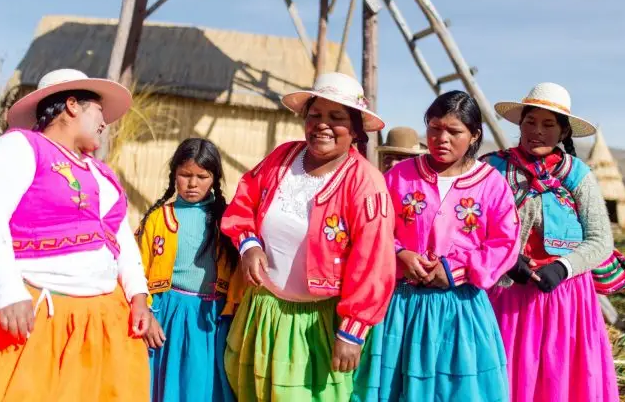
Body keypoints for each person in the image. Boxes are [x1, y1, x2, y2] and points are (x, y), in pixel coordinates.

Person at [0, 68, 151, 400]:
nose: (105, 123)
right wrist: (9, 293)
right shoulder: (20, 147)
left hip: (99, 322)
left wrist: (138, 296)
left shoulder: (103, 174)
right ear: (72, 105)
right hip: (35, 313)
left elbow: (122, 240)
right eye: (99, 111)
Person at [221, 72, 396, 401]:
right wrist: (249, 244)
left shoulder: (365, 184)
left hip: (316, 325)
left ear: (356, 129)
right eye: (315, 115)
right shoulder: (282, 158)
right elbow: (243, 202)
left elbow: (374, 262)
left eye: (337, 117)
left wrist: (353, 331)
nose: (323, 125)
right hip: (262, 311)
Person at [352, 90, 519, 402]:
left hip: (460, 309)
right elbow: (374, 228)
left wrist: (455, 271)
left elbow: (504, 243)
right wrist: (399, 253)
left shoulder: (491, 184)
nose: (441, 138)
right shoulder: (399, 177)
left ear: (474, 136)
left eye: (454, 132)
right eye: (434, 128)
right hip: (402, 307)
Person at [483, 82, 620, 401]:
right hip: (506, 294)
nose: (537, 131)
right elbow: (472, 227)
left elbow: (601, 240)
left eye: (548, 124)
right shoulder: (493, 169)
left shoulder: (577, 175)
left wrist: (563, 267)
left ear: (562, 132)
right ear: (520, 124)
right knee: (507, 374)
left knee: (558, 379)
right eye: (530, 121)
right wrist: (505, 259)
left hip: (566, 299)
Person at [136, 138, 243, 402]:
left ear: (214, 177)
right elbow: (138, 268)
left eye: (201, 176)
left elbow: (242, 274)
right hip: (166, 313)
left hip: (211, 319)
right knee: (162, 387)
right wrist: (148, 314)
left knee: (203, 388)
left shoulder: (228, 221)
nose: (193, 184)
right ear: (174, 174)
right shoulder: (158, 219)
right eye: (185, 175)